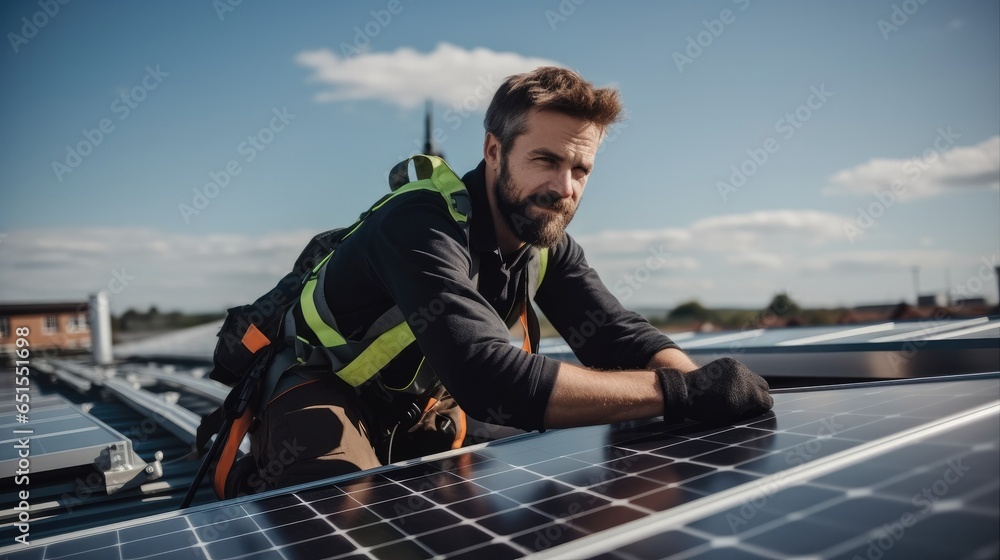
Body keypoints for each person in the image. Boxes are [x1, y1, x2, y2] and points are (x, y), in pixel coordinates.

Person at [248, 67, 772, 492]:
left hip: (416, 406)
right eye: (544, 160)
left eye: (581, 169)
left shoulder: (545, 242)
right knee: (342, 510)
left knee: (457, 512)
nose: (563, 187)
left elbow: (616, 334)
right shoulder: (418, 223)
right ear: (494, 151)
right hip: (325, 385)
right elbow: (486, 377)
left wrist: (698, 384)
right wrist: (682, 392)